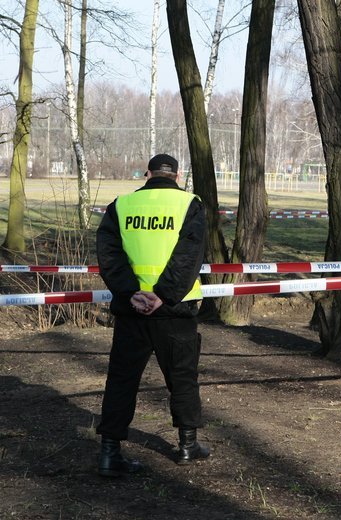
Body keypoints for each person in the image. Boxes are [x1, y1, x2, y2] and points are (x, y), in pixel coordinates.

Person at [95, 153, 210, 477]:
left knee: (121, 381)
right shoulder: (190, 204)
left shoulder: (121, 206)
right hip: (175, 309)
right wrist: (162, 295)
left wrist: (131, 291)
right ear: (177, 174)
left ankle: (109, 453)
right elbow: (188, 257)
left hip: (131, 310)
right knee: (182, 378)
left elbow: (109, 256)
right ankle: (187, 446)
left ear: (147, 173)